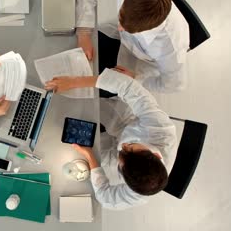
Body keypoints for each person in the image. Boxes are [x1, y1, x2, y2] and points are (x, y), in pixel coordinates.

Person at [45, 66, 177, 209]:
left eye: (123, 155)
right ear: (156, 154)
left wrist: (90, 156)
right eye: (131, 147)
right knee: (82, 103)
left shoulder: (137, 194)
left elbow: (105, 196)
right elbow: (128, 87)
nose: (123, 146)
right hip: (127, 123)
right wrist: (73, 82)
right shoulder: (161, 128)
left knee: (69, 147)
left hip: (113, 154)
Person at [76, 0, 190, 92]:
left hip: (142, 62)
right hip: (121, 41)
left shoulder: (171, 48)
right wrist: (84, 33)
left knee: (99, 91)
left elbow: (174, 85)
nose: (120, 28)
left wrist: (136, 79)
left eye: (129, 29)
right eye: (121, 16)